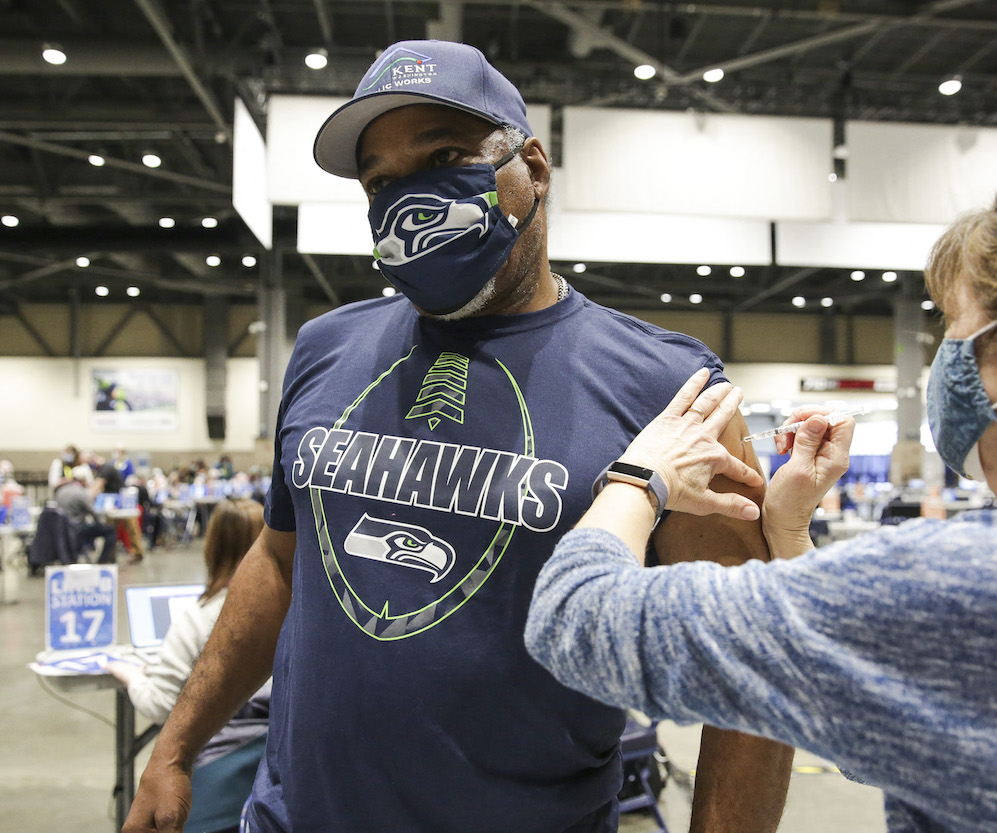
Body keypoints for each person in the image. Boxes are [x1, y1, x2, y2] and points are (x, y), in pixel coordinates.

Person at [125, 39, 791, 833]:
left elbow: (747, 660)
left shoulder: (666, 390)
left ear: (533, 169)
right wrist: (175, 746)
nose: (408, 198)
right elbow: (279, 559)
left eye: (444, 154)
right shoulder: (325, 349)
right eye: (381, 180)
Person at [524, 147, 997, 832]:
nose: (943, 357)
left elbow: (577, 620)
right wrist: (786, 535)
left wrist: (641, 473)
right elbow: (874, 698)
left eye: (952, 327)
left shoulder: (979, 579)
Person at [109, 500, 269, 833]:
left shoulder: (203, 617)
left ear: (213, 545)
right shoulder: (297, 614)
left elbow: (162, 704)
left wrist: (134, 677)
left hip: (218, 792)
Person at [54, 464, 117, 564]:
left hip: (63, 528)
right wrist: (106, 513)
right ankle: (102, 561)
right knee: (110, 531)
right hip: (78, 528)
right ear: (83, 480)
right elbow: (94, 512)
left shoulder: (61, 491)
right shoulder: (81, 493)